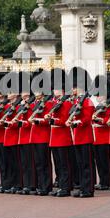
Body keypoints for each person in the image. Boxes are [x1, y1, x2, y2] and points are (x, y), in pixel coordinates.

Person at [67, 67, 96, 198]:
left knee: (86, 164)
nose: (73, 90)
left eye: (74, 87)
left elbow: (88, 117)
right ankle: (83, 187)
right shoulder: (77, 101)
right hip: (77, 137)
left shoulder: (88, 100)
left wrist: (77, 122)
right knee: (80, 164)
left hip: (86, 136)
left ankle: (88, 189)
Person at [45, 68, 74, 197]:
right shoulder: (54, 103)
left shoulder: (67, 103)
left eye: (55, 89)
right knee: (58, 165)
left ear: (62, 90)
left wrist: (53, 120)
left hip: (63, 137)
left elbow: (65, 120)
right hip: (54, 138)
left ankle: (66, 187)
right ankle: (61, 185)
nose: (53, 91)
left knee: (64, 164)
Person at [29, 70, 54, 196]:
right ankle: (40, 185)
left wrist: (37, 120)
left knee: (44, 163)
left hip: (43, 136)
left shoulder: (48, 103)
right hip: (34, 137)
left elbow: (47, 120)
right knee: (38, 163)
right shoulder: (34, 103)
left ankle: (47, 186)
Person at [14, 72, 37, 195]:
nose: (24, 97)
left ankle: (32, 184)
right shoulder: (20, 105)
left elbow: (30, 122)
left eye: (26, 95)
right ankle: (26, 184)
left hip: (29, 137)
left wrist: (22, 122)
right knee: (24, 163)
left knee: (31, 163)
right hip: (21, 137)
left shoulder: (32, 105)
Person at [1, 72, 24, 194]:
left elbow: (18, 121)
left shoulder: (19, 105)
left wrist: (10, 124)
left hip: (15, 137)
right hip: (7, 138)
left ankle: (18, 184)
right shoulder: (6, 106)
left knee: (17, 163)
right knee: (9, 163)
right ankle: (10, 183)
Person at [92, 75, 110, 191]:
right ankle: (102, 181)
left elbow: (109, 119)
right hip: (96, 137)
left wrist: (100, 120)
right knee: (98, 161)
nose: (98, 97)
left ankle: (107, 181)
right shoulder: (97, 105)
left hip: (104, 136)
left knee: (105, 160)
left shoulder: (108, 105)